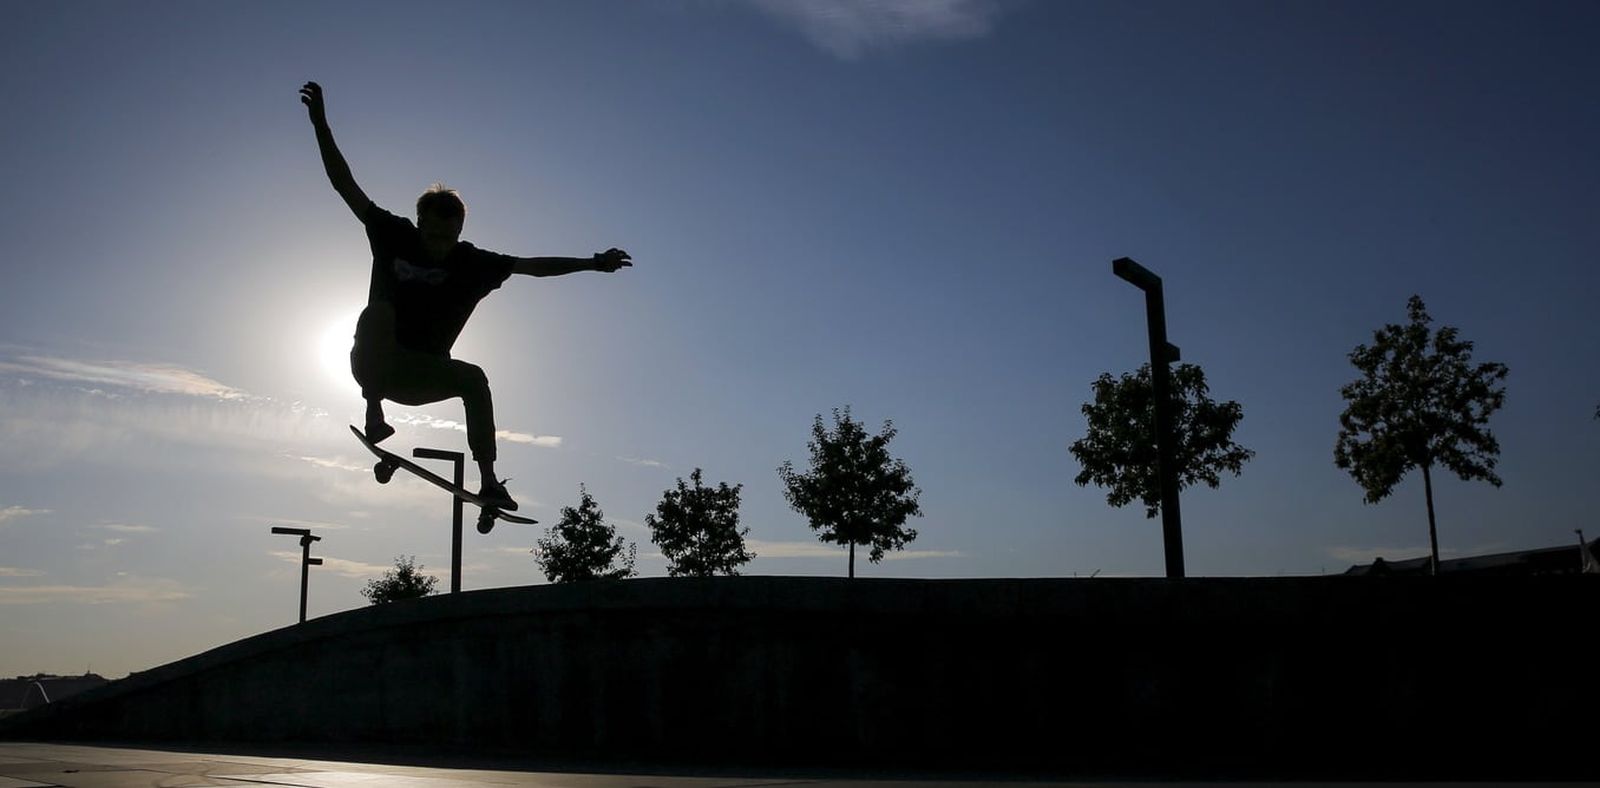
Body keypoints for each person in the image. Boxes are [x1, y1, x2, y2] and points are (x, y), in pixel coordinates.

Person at [300, 81, 631, 510]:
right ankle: (374, 412)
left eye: (448, 235)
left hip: (423, 376)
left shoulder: (474, 262)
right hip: (373, 364)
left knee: (474, 377)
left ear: (460, 231)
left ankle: (490, 480)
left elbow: (534, 266)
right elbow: (345, 185)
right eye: (431, 232)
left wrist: (591, 263)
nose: (438, 243)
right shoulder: (391, 233)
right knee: (376, 314)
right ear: (419, 221)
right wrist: (321, 124)